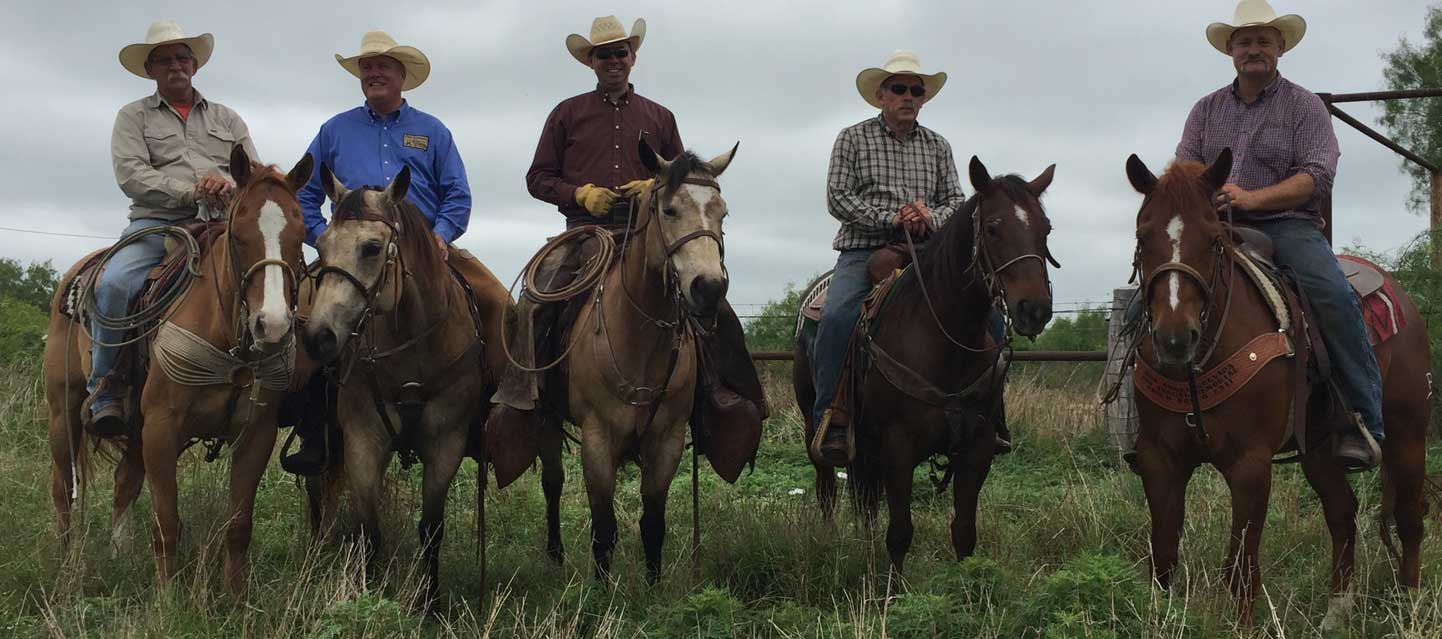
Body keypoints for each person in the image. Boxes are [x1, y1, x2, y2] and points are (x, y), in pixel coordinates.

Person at [494, 15, 767, 452]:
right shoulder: (566, 113)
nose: (613, 60)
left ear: (633, 57)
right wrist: (579, 194)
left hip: (649, 231)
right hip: (584, 233)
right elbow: (537, 177)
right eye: (604, 54)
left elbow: (685, 177)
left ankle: (722, 398)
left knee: (714, 302)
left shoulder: (660, 116)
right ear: (591, 61)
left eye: (620, 52)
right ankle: (527, 403)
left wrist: (655, 184)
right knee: (536, 299)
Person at [288, 30, 513, 474]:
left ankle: (498, 418)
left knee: (502, 305)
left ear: (402, 76)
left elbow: (457, 195)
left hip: (428, 247)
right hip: (353, 252)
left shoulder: (432, 131)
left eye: (382, 66)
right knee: (302, 319)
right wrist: (323, 238)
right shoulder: (334, 130)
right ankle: (312, 425)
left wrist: (442, 236)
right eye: (366, 67)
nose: (373, 73)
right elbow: (304, 194)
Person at [1177, 0, 1382, 469]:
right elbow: (1185, 169)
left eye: (1263, 41)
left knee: (1331, 293)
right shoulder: (1204, 110)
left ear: (1280, 47)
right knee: (1155, 287)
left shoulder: (1304, 106)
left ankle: (1362, 419)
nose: (1253, 49)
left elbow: (1317, 176)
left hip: (1288, 225)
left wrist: (1251, 199)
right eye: (1244, 41)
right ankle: (1145, 420)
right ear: (1230, 50)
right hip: (1218, 226)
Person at [88, 20, 256, 436]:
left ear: (195, 65)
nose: (175, 65)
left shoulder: (228, 119)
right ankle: (106, 386)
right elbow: (130, 174)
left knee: (274, 278)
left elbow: (250, 173)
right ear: (150, 70)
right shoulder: (132, 117)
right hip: (155, 224)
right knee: (113, 283)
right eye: (164, 60)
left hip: (219, 224)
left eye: (182, 58)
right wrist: (189, 191)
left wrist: (228, 186)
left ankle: (276, 380)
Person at [810, 50, 967, 465]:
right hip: (864, 249)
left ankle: (984, 416)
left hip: (928, 252)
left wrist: (929, 216)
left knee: (985, 314)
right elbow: (838, 197)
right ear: (881, 95)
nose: (909, 96)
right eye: (899, 88)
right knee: (837, 315)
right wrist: (890, 217)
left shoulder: (938, 146)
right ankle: (831, 416)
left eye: (917, 90)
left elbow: (957, 199)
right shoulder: (852, 138)